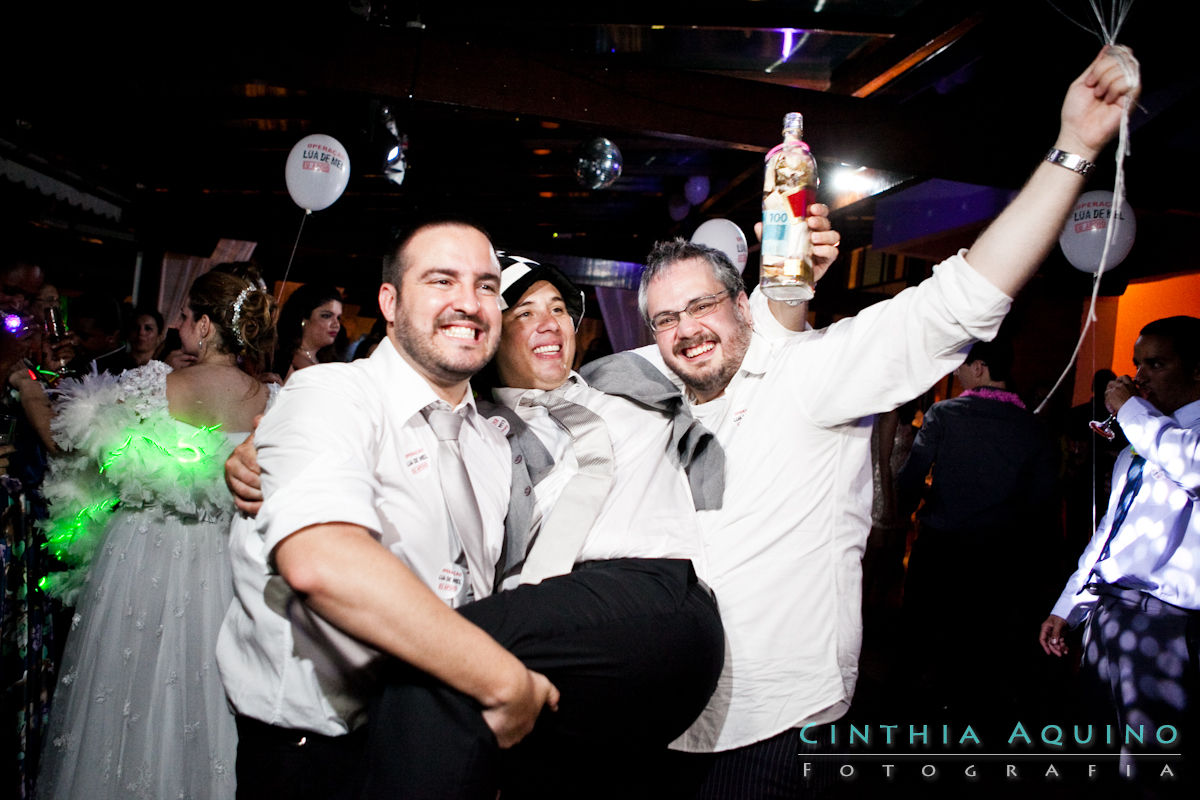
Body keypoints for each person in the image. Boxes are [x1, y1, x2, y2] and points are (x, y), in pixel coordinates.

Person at [619, 45, 1139, 796]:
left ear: (742, 305)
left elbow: (961, 299)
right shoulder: (655, 406)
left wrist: (1074, 149)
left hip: (770, 724)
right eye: (666, 317)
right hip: (664, 717)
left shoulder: (809, 376)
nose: (685, 328)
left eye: (702, 305)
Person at [217, 220, 559, 800]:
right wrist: (504, 683)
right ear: (390, 302)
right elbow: (323, 562)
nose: (468, 304)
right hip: (325, 760)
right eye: (440, 280)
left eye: (484, 286)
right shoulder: (330, 396)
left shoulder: (492, 442)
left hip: (447, 735)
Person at [36, 267, 277, 800]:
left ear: (207, 326)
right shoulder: (273, 401)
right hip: (224, 560)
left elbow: (79, 454)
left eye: (187, 315)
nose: (179, 324)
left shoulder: (149, 385)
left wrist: (30, 395)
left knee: (125, 694)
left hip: (141, 554)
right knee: (207, 698)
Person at [1038, 316, 1200, 777]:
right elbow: (1112, 534)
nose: (1140, 376)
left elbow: (1191, 464)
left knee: (1151, 764)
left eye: (1157, 363)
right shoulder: (1140, 443)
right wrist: (1069, 605)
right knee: (1100, 752)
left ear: (1196, 370)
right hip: (1110, 615)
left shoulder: (1176, 440)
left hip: (1165, 624)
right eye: (1137, 364)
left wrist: (1130, 410)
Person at [896, 338, 1059, 722]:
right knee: (980, 650)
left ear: (980, 367)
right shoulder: (1034, 427)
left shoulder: (944, 414)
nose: (956, 372)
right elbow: (1042, 506)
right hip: (1001, 558)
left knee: (922, 643)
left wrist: (910, 508)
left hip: (940, 551)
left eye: (961, 365)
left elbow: (911, 480)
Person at [272, 282, 343, 379]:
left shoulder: (334, 364)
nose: (336, 324)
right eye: (327, 316)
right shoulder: (281, 360)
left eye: (338, 317)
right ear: (303, 318)